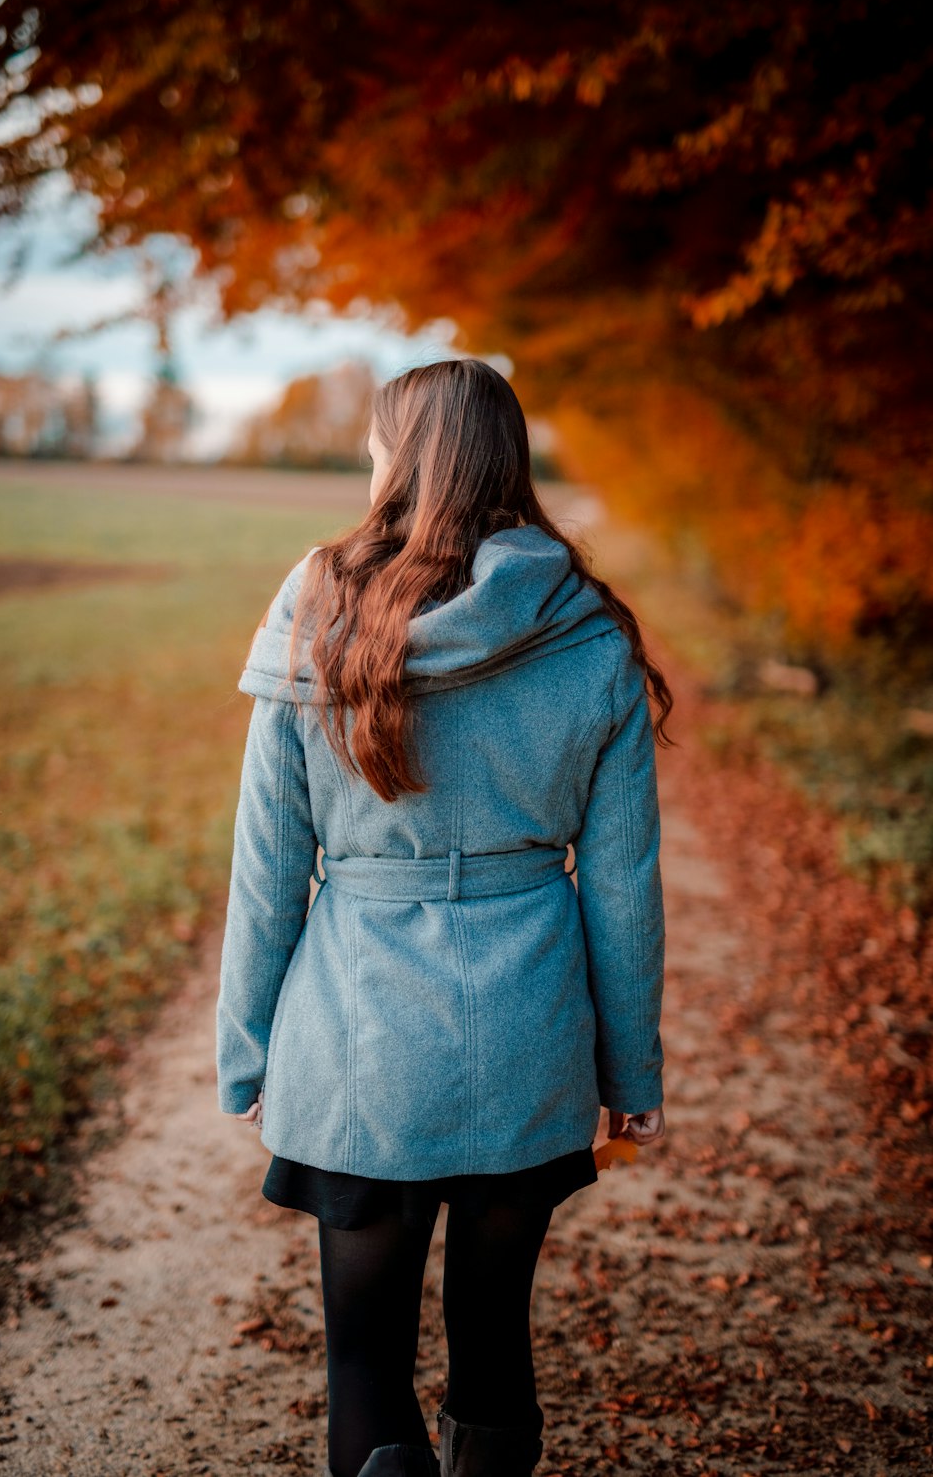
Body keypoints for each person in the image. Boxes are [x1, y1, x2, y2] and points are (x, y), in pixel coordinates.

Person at [215, 357, 672, 1477]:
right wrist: (631, 1073)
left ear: (402, 459)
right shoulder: (586, 627)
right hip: (528, 1039)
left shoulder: (318, 601)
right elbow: (623, 887)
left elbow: (269, 863)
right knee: (494, 1341)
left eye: (378, 444)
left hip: (360, 1037)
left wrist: (246, 1052)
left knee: (364, 1361)